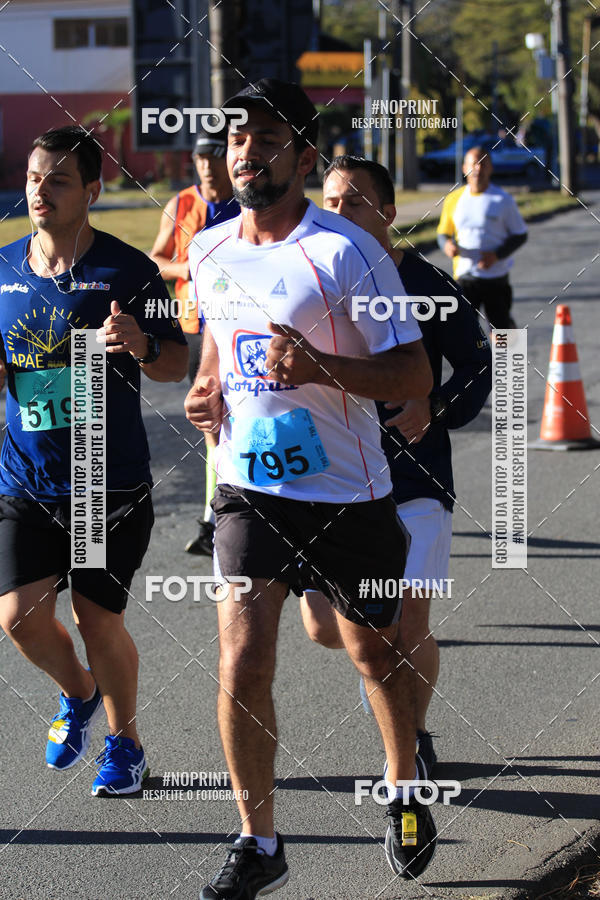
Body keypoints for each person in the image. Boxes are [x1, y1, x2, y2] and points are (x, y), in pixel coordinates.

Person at [184, 79, 437, 898]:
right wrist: (205, 392)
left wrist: (323, 368)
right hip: (248, 487)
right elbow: (215, 350)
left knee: (376, 652)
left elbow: (413, 373)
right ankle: (258, 841)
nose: (247, 153)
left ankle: (404, 785)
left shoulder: (347, 252)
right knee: (242, 659)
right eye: (237, 140)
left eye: (266, 139)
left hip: (347, 492)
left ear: (303, 155)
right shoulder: (208, 249)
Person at [0, 125, 188, 796]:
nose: (40, 191)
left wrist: (141, 344)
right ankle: (79, 692)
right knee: (18, 617)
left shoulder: (129, 271)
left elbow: (177, 362)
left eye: (58, 180)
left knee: (94, 618)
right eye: (34, 178)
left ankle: (125, 744)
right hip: (25, 477)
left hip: (100, 482)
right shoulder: (2, 267)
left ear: (92, 191)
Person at [302, 155, 492, 773]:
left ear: (387, 213)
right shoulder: (308, 279)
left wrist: (433, 406)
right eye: (330, 202)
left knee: (409, 622)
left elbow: (480, 366)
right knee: (323, 627)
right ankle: (381, 672)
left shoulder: (429, 286)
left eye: (353, 203)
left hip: (414, 479)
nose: (338, 214)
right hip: (329, 481)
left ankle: (411, 739)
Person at [150, 128, 240, 556]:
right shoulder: (181, 204)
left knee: (246, 417)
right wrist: (185, 267)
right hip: (195, 328)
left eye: (213, 157)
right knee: (213, 427)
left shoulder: (247, 200)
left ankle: (242, 514)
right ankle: (214, 519)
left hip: (239, 325)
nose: (206, 166)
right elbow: (155, 259)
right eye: (200, 158)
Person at [437, 146, 528, 329]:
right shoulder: (453, 199)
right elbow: (442, 233)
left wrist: (496, 255)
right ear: (465, 168)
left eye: (483, 164)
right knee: (466, 333)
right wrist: (446, 245)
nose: (478, 168)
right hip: (465, 277)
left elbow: (520, 234)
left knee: (503, 334)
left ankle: (511, 344)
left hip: (496, 277)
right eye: (473, 164)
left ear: (491, 168)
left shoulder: (503, 199)